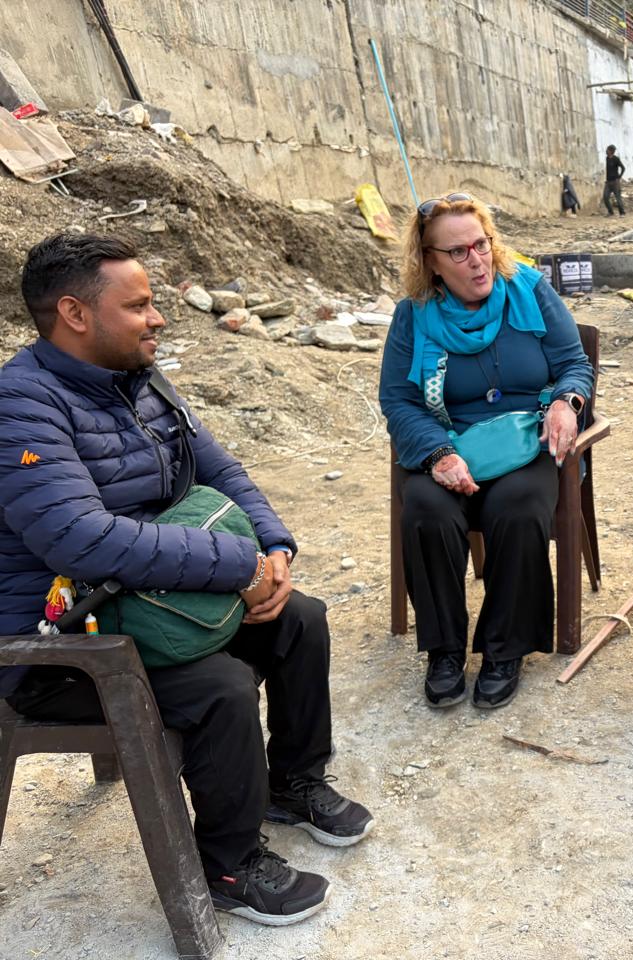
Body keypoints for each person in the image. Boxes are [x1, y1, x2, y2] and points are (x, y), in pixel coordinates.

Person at [0, 234, 372, 926]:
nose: (158, 318)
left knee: (300, 620)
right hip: (63, 641)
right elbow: (79, 538)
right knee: (220, 688)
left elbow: (224, 472)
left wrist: (274, 548)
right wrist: (238, 568)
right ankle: (230, 865)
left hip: (153, 602)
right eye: (139, 305)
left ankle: (292, 783)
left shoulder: (141, 384)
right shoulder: (20, 404)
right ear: (76, 314)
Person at [380, 193, 594, 710]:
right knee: (427, 510)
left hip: (526, 444)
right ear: (429, 261)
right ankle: (445, 650)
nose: (476, 260)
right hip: (450, 444)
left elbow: (573, 362)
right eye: (457, 252)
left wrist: (567, 403)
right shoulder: (414, 316)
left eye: (481, 244)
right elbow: (399, 400)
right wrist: (437, 455)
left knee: (517, 508)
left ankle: (505, 649)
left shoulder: (529, 289)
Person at [603, 145, 626, 215]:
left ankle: (622, 213)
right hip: (608, 182)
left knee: (618, 198)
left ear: (611, 151)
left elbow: (623, 168)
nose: (606, 151)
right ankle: (610, 212)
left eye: (607, 150)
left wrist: (619, 177)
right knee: (605, 197)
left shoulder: (616, 159)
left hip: (615, 182)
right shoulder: (607, 158)